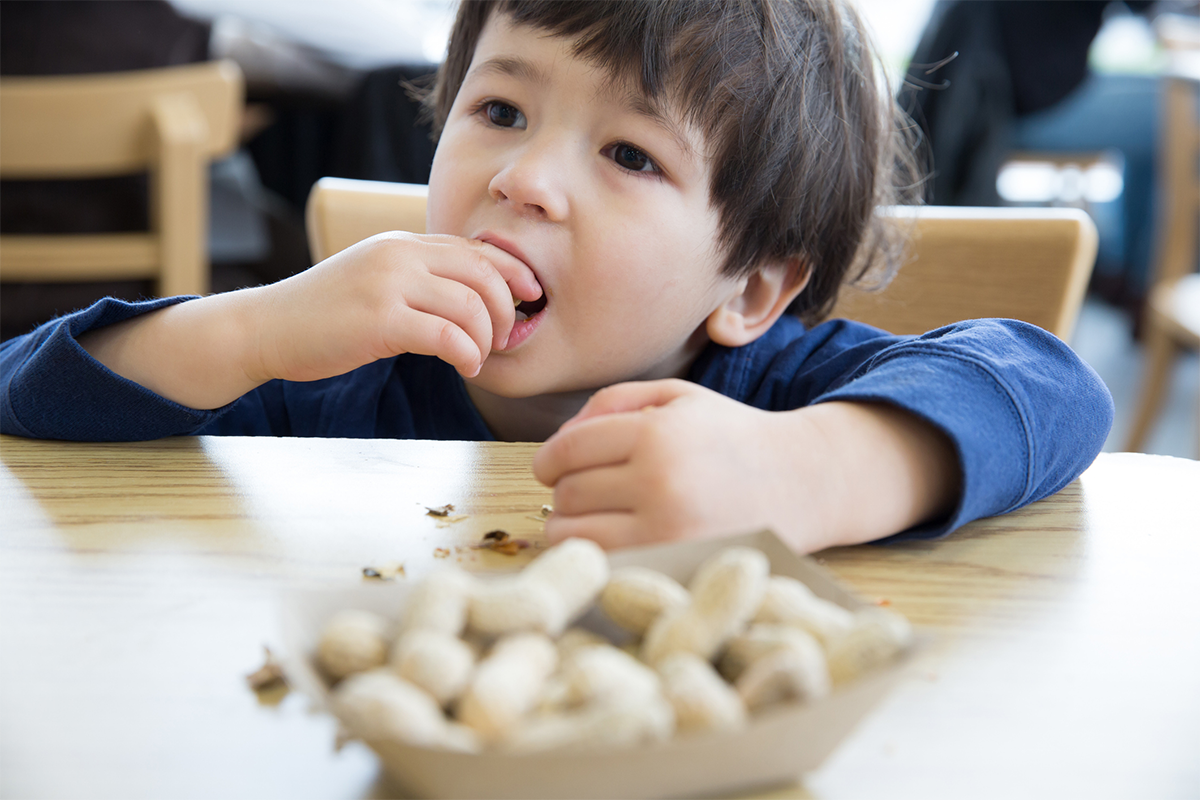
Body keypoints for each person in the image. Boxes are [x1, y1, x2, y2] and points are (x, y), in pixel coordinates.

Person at [0, 0, 1113, 554]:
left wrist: (805, 474)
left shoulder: (776, 395)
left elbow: (1054, 388)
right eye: (500, 111)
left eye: (631, 154)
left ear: (750, 291)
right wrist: (250, 330)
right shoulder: (338, 374)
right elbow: (23, 393)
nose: (525, 178)